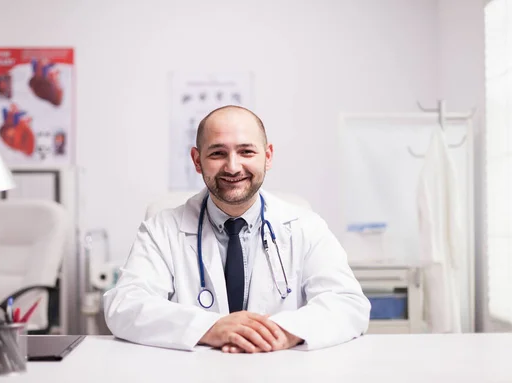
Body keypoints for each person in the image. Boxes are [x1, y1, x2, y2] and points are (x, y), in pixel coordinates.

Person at [103, 105, 370, 353]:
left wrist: (284, 332)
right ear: (197, 160)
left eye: (247, 152)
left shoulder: (306, 227)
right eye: (218, 153)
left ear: (267, 157)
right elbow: (124, 306)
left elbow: (348, 304)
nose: (233, 166)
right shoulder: (161, 230)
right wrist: (209, 327)